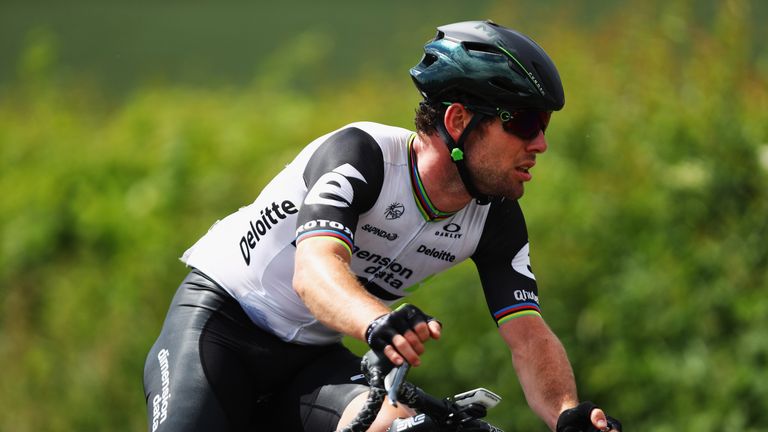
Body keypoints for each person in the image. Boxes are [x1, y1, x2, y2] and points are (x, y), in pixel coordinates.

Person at [143, 20, 622, 432]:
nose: (539, 143)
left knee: (407, 428)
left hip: (312, 359)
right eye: (523, 122)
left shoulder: (494, 216)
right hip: (221, 327)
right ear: (457, 120)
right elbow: (314, 270)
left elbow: (529, 336)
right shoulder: (363, 156)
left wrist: (565, 412)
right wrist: (376, 321)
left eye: (545, 126)